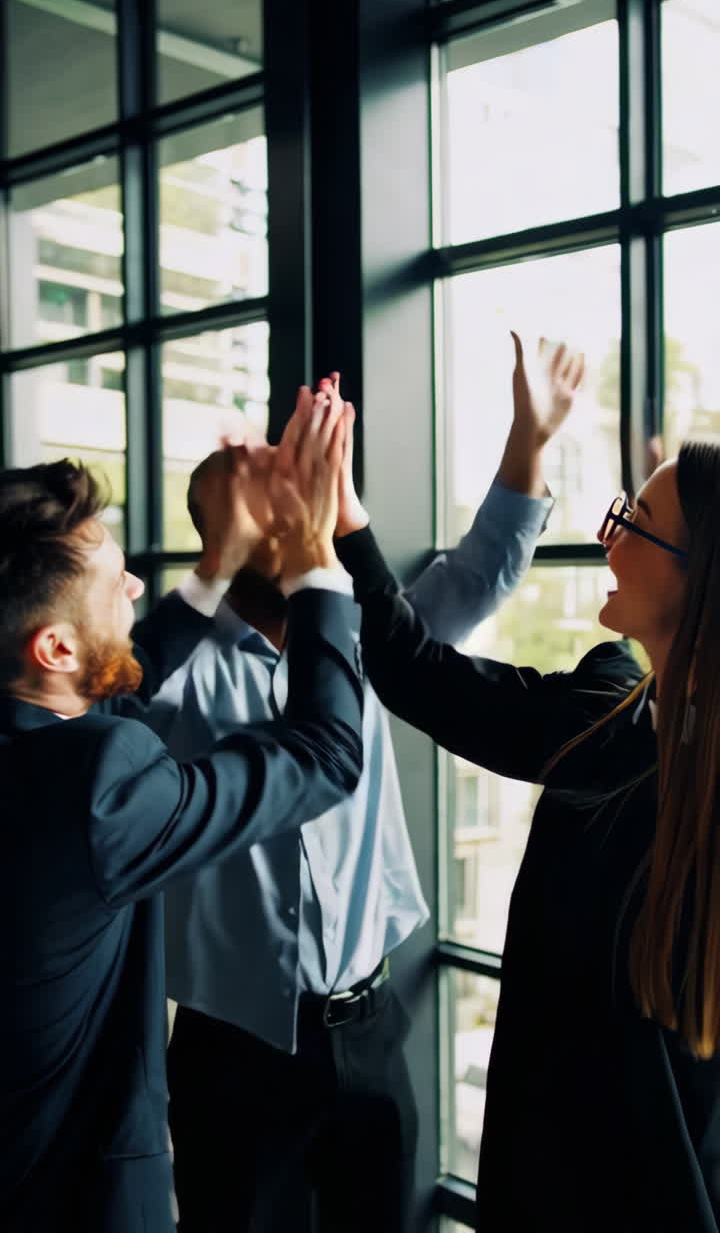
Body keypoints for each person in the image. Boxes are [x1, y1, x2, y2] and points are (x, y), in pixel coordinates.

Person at [147, 347, 582, 1233]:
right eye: (273, 481)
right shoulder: (174, 676)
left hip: (372, 1030)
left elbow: (481, 571)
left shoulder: (362, 644)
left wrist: (527, 437)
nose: (300, 487)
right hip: (232, 1050)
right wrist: (208, 574)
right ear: (229, 530)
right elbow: (103, 710)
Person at [331, 331, 720, 1232]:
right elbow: (418, 672)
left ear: (697, 581)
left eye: (634, 524)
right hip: (544, 1188)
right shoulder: (606, 706)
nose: (606, 536)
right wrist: (349, 526)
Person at [0, 422, 364, 1233]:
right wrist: (313, 558)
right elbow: (327, 754)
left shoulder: (37, 739)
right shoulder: (96, 787)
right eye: (113, 581)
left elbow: (111, 687)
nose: (134, 588)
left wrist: (214, 568)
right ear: (53, 645)